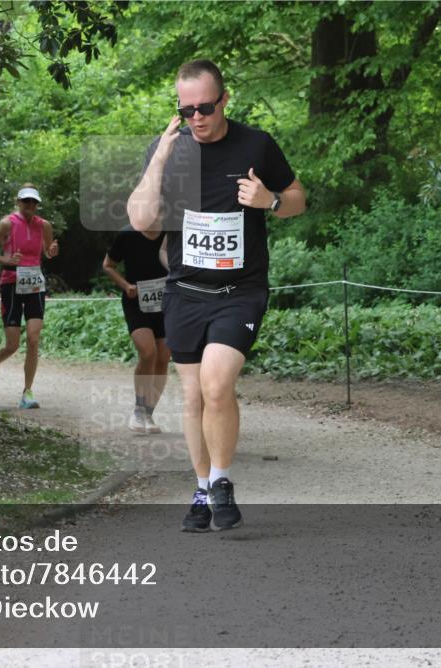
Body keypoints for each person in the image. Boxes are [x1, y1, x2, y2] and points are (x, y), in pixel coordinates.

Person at [126, 59, 306, 531]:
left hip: (239, 290)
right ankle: (202, 489)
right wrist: (161, 156)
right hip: (184, 291)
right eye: (186, 110)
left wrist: (270, 201)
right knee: (193, 397)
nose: (197, 118)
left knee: (217, 384)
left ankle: (222, 480)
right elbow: (142, 222)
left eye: (205, 107)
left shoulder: (255, 144)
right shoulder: (167, 149)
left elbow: (298, 200)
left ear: (225, 100)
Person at [0, 184, 59, 408]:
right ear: (18, 202)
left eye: (34, 202)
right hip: (11, 284)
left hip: (34, 285)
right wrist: (7, 261)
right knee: (13, 345)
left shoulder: (44, 225)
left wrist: (51, 252)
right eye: (26, 201)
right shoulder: (7, 224)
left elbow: (47, 251)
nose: (30, 205)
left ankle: (27, 392)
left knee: (33, 338)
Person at [103, 225, 171, 434]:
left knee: (163, 358)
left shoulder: (172, 233)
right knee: (148, 352)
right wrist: (126, 286)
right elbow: (108, 265)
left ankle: (148, 414)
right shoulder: (127, 235)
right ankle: (139, 410)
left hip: (166, 302)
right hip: (137, 302)